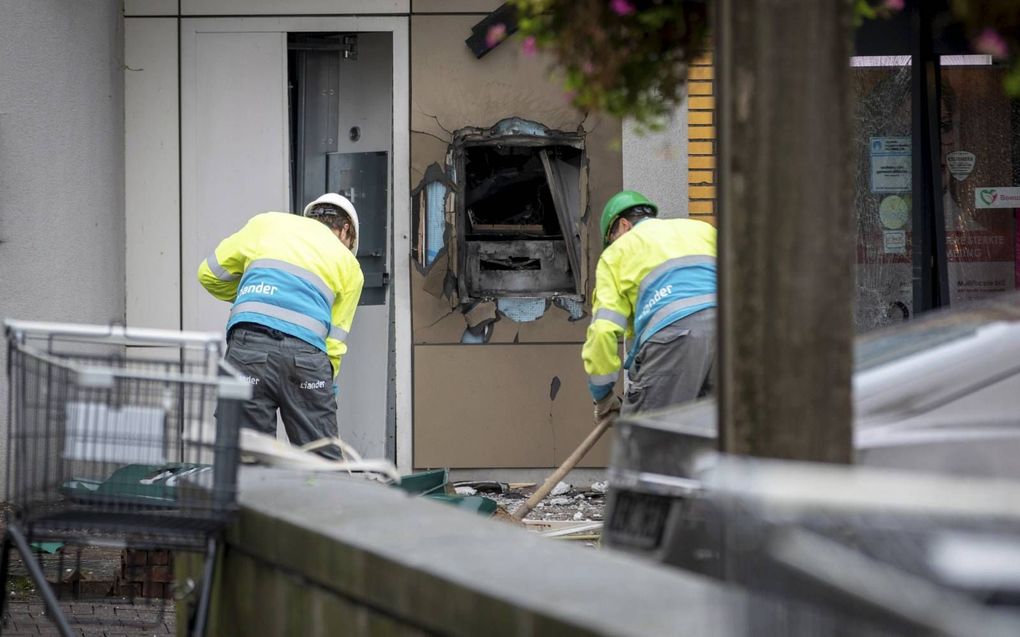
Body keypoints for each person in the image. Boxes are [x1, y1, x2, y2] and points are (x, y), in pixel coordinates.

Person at [198, 193, 364, 457]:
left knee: (247, 457)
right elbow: (334, 341)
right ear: (345, 230)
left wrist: (255, 292)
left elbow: (208, 274)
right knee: (321, 461)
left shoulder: (266, 224)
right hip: (306, 359)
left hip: (247, 349)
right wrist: (324, 386)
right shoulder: (350, 266)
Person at [582, 190, 717, 426]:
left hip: (675, 339)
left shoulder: (616, 253)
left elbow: (603, 332)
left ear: (623, 225)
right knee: (714, 443)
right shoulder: (702, 230)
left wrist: (602, 397)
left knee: (644, 439)